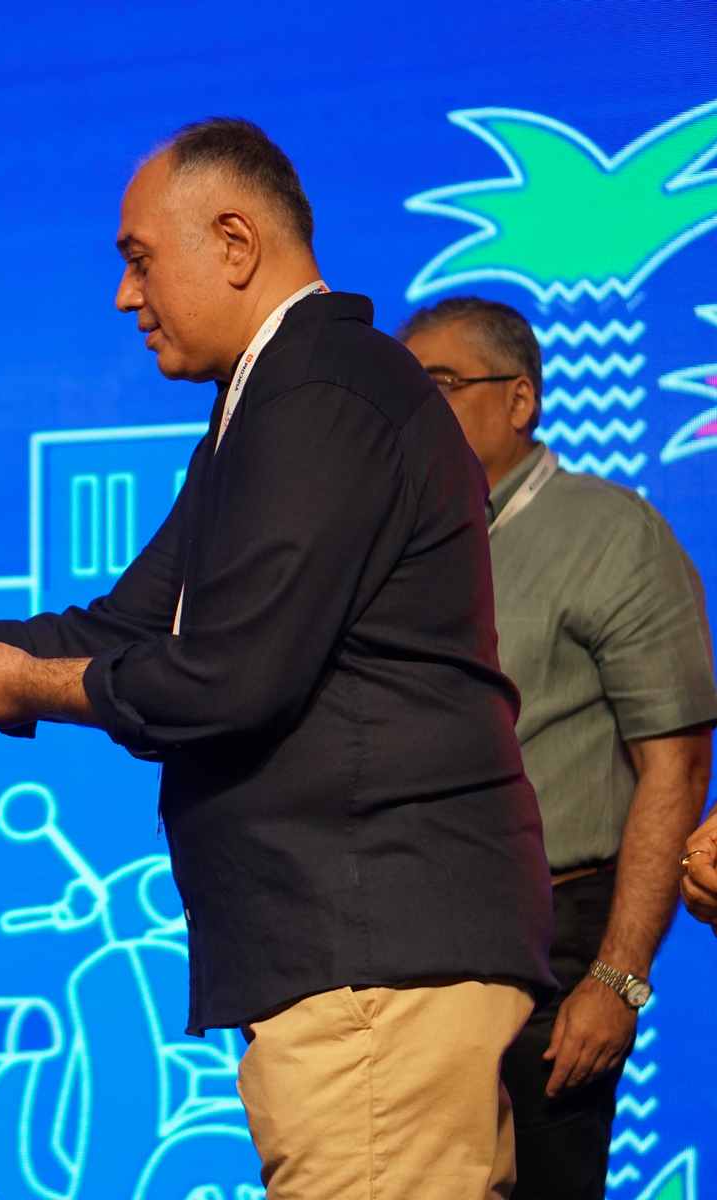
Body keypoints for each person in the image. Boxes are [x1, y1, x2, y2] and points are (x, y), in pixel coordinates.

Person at [0, 119, 555, 1200]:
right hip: (359, 957)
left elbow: (231, 677)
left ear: (234, 242)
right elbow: (123, 629)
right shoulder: (269, 400)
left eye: (139, 258)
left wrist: (22, 682)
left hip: (375, 952)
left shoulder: (322, 391)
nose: (126, 297)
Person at [399, 297, 717, 1198]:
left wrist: (617, 980)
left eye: (441, 385)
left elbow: (678, 765)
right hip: (406, 946)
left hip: (554, 932)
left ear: (521, 399)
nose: (417, 412)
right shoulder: (393, 546)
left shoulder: (611, 534)